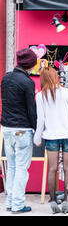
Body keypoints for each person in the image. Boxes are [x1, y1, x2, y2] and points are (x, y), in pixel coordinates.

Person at [33, 67, 68, 214]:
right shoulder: (67, 92)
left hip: (51, 136)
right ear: (56, 77)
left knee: (52, 169)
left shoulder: (40, 96)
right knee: (67, 169)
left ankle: (53, 200)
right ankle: (66, 201)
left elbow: (40, 120)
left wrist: (37, 138)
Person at [1, 48, 38, 213]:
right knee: (22, 168)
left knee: (12, 167)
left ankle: (10, 202)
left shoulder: (5, 78)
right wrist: (37, 130)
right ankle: (17, 204)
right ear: (30, 64)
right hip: (22, 129)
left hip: (7, 128)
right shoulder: (28, 83)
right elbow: (31, 110)